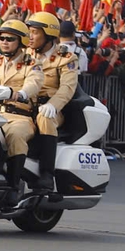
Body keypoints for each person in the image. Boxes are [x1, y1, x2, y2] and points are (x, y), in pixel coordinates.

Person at [0, 20, 45, 196]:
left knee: (15, 135)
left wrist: (21, 93)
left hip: (19, 117)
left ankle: (13, 185)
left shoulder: (32, 64)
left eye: (10, 39)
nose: (4, 42)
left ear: (21, 41)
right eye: (2, 37)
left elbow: (34, 83)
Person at [25, 11, 77, 195]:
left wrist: (53, 105)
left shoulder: (66, 58)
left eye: (35, 32)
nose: (30, 36)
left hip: (50, 107)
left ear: (48, 35)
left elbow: (67, 88)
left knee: (44, 118)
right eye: (29, 31)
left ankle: (47, 173)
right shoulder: (24, 54)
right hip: (25, 104)